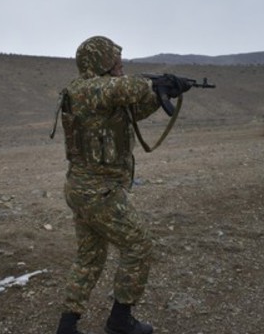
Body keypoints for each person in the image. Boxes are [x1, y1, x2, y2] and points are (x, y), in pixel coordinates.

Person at [53, 36, 191, 334]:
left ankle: (66, 327)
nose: (121, 66)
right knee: (139, 246)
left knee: (90, 257)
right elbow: (126, 88)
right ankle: (119, 321)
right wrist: (157, 83)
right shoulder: (87, 89)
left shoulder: (100, 97)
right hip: (98, 193)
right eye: (116, 61)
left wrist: (164, 94)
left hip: (84, 190)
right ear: (101, 64)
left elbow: (131, 110)